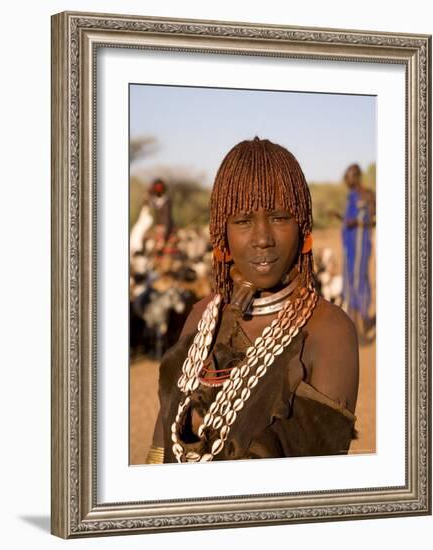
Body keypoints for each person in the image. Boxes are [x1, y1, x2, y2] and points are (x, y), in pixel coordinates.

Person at [145, 137, 359, 465]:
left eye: (279, 218)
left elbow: (317, 488)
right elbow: (162, 443)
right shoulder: (202, 317)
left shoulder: (328, 332)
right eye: (243, 221)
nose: (262, 239)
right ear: (222, 233)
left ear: (302, 227)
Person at [339, 164, 376, 337]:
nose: (346, 180)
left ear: (356, 176)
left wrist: (359, 223)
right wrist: (340, 218)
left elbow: (375, 219)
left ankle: (363, 320)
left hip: (361, 245)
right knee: (349, 280)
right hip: (349, 246)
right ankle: (353, 322)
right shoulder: (350, 197)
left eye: (348, 176)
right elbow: (349, 220)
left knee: (359, 279)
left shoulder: (368, 195)